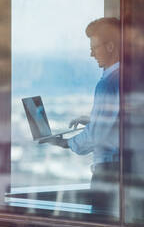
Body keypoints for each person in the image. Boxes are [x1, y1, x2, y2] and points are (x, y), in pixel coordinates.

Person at [41, 17, 120, 216]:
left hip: (107, 172)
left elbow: (96, 137)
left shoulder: (107, 85)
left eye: (95, 47)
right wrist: (92, 120)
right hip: (121, 170)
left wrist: (63, 143)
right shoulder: (124, 78)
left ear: (110, 46)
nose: (91, 53)